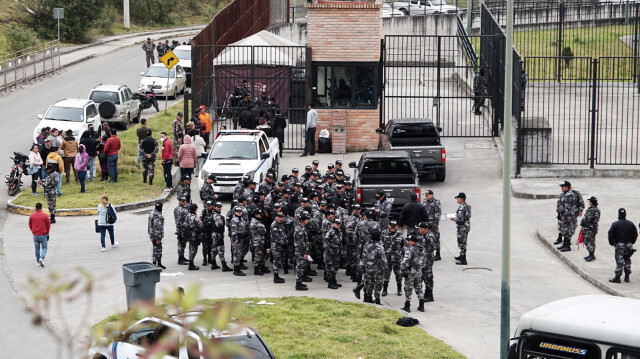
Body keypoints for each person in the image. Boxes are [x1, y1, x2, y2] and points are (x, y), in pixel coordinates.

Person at [607, 208, 637, 283]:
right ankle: (627, 275)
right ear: (625, 214)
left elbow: (610, 234)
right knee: (627, 259)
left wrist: (612, 243)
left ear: (618, 215)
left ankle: (617, 277)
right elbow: (635, 234)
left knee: (619, 260)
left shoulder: (615, 224)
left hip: (619, 244)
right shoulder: (631, 224)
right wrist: (632, 242)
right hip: (629, 244)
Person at [362, 228, 387, 305]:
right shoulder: (380, 247)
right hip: (377, 269)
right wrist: (385, 270)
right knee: (378, 284)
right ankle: (377, 300)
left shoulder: (366, 245)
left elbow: (363, 257)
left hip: (368, 268)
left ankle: (369, 297)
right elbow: (384, 260)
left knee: (369, 283)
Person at [401, 234, 425, 313]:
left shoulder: (410, 249)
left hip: (410, 272)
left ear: (412, 242)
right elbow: (424, 261)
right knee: (418, 287)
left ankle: (407, 306)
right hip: (418, 272)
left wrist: (403, 270)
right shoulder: (421, 249)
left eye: (409, 240)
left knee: (408, 288)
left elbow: (405, 261)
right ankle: (421, 305)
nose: (408, 242)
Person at [555, 181, 581, 252]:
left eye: (563, 187)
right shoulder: (564, 194)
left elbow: (567, 208)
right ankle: (565, 244)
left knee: (568, 231)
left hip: (568, 217)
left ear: (566, 187)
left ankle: (567, 246)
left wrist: (564, 217)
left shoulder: (569, 195)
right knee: (564, 231)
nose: (561, 188)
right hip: (564, 216)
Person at [381, 220, 405, 297]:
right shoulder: (384, 233)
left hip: (397, 258)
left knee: (398, 274)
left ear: (396, 226)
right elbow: (381, 245)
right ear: (388, 225)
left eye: (394, 226)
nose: (393, 228)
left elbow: (404, 246)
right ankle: (384, 290)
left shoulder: (400, 234)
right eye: (391, 226)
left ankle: (399, 289)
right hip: (387, 258)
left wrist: (404, 257)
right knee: (386, 274)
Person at [417, 221, 436, 303]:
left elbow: (429, 251)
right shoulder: (423, 236)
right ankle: (426, 293)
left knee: (428, 277)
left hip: (427, 261)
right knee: (423, 277)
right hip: (423, 260)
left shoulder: (430, 238)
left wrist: (425, 262)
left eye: (420, 228)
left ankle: (430, 295)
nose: (419, 230)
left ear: (424, 229)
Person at [450, 192, 471, 265]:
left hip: (462, 226)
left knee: (462, 242)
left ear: (461, 199)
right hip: (466, 225)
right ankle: (461, 255)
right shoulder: (467, 206)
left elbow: (460, 219)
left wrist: (454, 218)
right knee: (463, 241)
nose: (457, 199)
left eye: (458, 198)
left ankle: (463, 259)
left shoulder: (462, 207)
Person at [211, 202, 231, 272]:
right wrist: (222, 219)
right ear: (215, 207)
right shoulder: (217, 215)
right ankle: (224, 265)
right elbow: (219, 224)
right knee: (221, 249)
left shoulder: (214, 214)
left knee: (214, 249)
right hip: (218, 234)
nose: (220, 208)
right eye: (218, 207)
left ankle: (213, 263)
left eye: (220, 207)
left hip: (214, 234)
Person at [294, 213, 312, 290]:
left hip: (302, 251)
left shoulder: (302, 228)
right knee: (300, 267)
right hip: (300, 252)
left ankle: (300, 282)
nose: (308, 221)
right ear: (303, 220)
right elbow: (301, 243)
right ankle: (298, 284)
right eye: (307, 219)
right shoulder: (299, 230)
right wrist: (305, 252)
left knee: (302, 266)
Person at [29, 203, 51, 267]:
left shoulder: (32, 216)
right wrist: (47, 232)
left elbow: (30, 224)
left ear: (35, 208)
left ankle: (38, 261)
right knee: (44, 247)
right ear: (41, 208)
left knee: (37, 248)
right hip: (43, 234)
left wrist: (33, 231)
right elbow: (48, 224)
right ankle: (42, 258)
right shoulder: (45, 215)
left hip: (35, 234)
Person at [323, 218, 343, 290]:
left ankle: (334, 281)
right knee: (330, 268)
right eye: (336, 223)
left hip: (337, 252)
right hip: (330, 253)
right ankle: (330, 283)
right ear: (333, 223)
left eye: (339, 224)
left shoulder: (339, 231)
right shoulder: (330, 232)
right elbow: (325, 243)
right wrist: (329, 250)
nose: (337, 225)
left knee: (335, 267)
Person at [422, 190, 442, 260]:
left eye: (427, 195)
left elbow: (438, 213)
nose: (426, 197)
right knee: (427, 238)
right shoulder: (424, 201)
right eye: (425, 195)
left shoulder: (436, 202)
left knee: (436, 237)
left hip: (433, 223)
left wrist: (435, 223)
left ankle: (438, 253)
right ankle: (429, 253)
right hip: (426, 223)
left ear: (431, 195)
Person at [580, 196, 601, 262]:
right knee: (590, 241)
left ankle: (591, 255)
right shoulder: (596, 209)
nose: (589, 203)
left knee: (589, 241)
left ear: (591, 203)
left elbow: (587, 219)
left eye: (590, 201)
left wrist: (582, 222)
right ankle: (590, 254)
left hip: (589, 228)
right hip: (592, 228)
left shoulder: (592, 210)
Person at [183, 203, 203, 270]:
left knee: (190, 248)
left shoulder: (188, 215)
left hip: (189, 235)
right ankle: (191, 264)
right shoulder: (195, 217)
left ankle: (191, 263)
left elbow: (185, 223)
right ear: (195, 209)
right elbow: (200, 225)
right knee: (193, 250)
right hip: (194, 235)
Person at [230, 206, 248, 276]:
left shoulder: (241, 219)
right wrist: (236, 242)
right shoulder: (234, 220)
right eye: (238, 212)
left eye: (240, 212)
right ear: (235, 212)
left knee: (239, 254)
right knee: (237, 255)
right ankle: (236, 270)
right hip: (237, 240)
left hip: (241, 239)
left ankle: (238, 267)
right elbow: (234, 233)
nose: (239, 213)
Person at [270, 212, 287, 283]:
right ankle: (276, 277)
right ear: (275, 217)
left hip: (281, 246)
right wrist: (283, 243)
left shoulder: (281, 224)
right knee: (276, 261)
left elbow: (283, 234)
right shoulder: (274, 225)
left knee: (279, 260)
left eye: (282, 217)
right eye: (279, 217)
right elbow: (276, 237)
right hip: (276, 246)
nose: (281, 219)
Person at [250, 209, 268, 275]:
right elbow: (263, 231)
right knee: (257, 255)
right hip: (257, 241)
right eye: (259, 214)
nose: (261, 216)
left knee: (262, 254)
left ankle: (262, 267)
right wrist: (263, 227)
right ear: (255, 215)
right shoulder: (255, 223)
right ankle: (256, 270)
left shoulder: (258, 221)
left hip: (260, 240)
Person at [148, 201, 165, 269]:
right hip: (156, 236)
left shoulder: (152, 212)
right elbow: (156, 227)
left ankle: (158, 263)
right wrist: (158, 238)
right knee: (157, 249)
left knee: (158, 248)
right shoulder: (157, 215)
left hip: (152, 234)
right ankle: (155, 264)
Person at [174, 196, 190, 265]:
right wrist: (180, 231)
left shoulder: (184, 208)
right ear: (179, 201)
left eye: (185, 201)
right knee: (181, 244)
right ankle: (180, 259)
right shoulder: (178, 209)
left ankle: (182, 257)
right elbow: (178, 221)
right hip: (181, 229)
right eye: (183, 201)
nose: (184, 202)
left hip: (185, 228)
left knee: (183, 244)